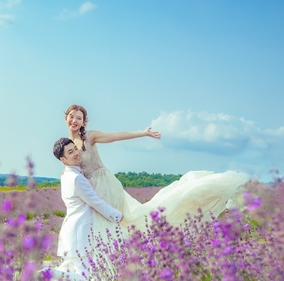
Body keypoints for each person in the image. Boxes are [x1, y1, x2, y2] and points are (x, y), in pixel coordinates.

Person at [63, 104, 251, 243]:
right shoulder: (67, 145)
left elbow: (116, 136)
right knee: (106, 222)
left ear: (84, 122)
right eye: (72, 117)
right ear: (66, 118)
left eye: (79, 118)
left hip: (104, 184)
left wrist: (142, 133)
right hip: (89, 188)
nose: (74, 121)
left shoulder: (90, 137)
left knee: (111, 221)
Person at [48, 137, 123, 281]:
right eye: (70, 152)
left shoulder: (66, 174)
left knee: (71, 271)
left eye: (75, 148)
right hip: (79, 234)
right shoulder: (76, 179)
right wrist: (118, 216)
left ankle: (49, 277)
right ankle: (48, 273)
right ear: (63, 160)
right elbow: (96, 203)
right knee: (87, 280)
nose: (76, 153)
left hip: (72, 233)